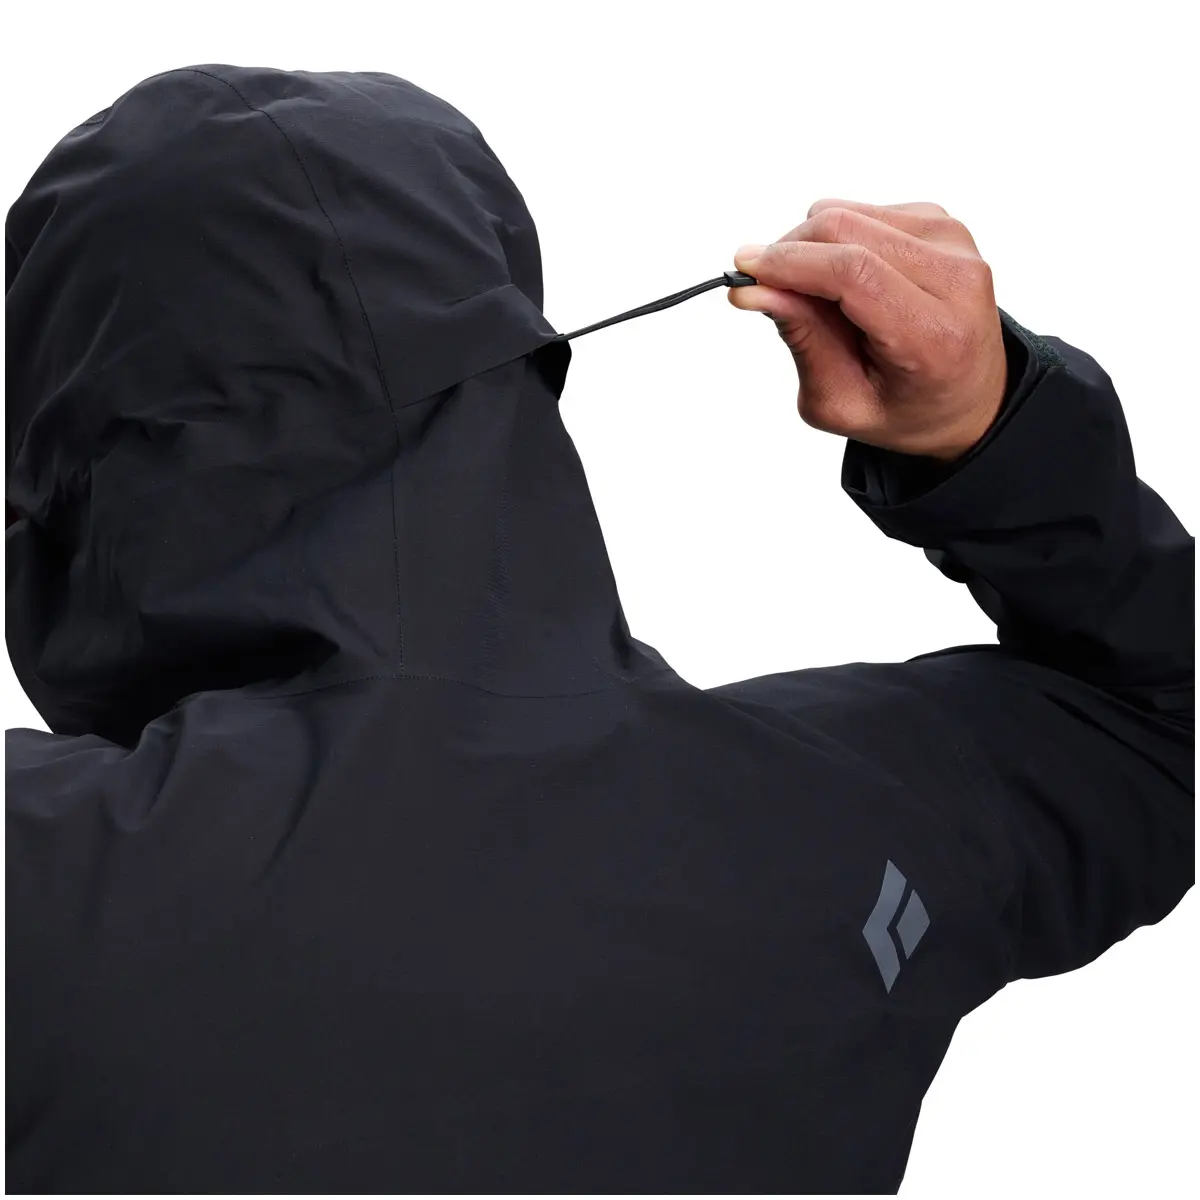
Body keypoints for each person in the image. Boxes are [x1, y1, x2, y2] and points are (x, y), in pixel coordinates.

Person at [5, 65, 1193, 1195]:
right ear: (521, 374)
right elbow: (1163, 721)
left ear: (67, 477)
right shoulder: (847, 820)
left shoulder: (43, 888)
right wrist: (994, 429)